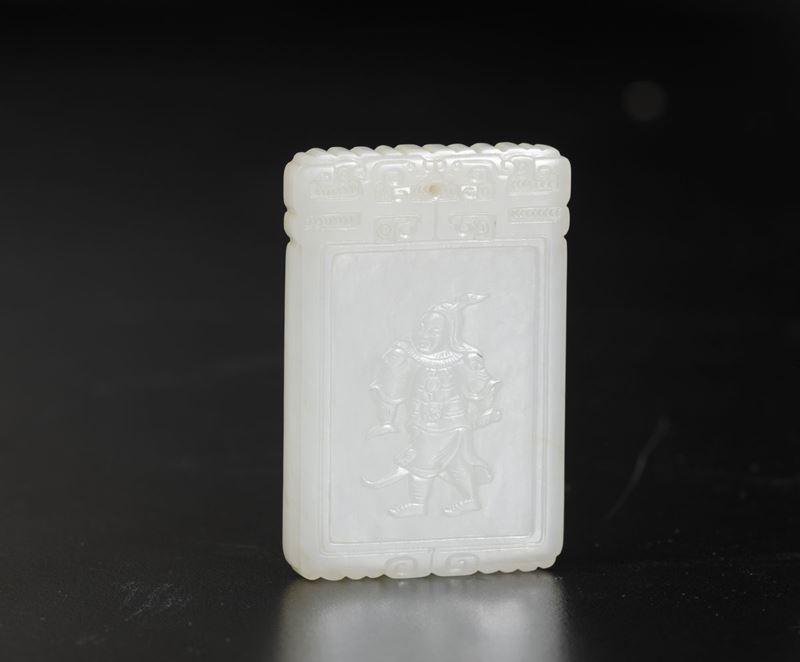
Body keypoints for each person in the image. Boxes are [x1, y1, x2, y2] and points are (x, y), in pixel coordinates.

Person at [362, 294, 502, 517]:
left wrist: (487, 410)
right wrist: (387, 418)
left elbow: (481, 387)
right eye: (422, 328)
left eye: (434, 331)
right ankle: (470, 499)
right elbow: (393, 387)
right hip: (421, 420)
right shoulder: (409, 354)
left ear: (448, 334)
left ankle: (417, 504)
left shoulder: (462, 358)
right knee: (456, 465)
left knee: (422, 464)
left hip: (451, 422)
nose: (425, 335)